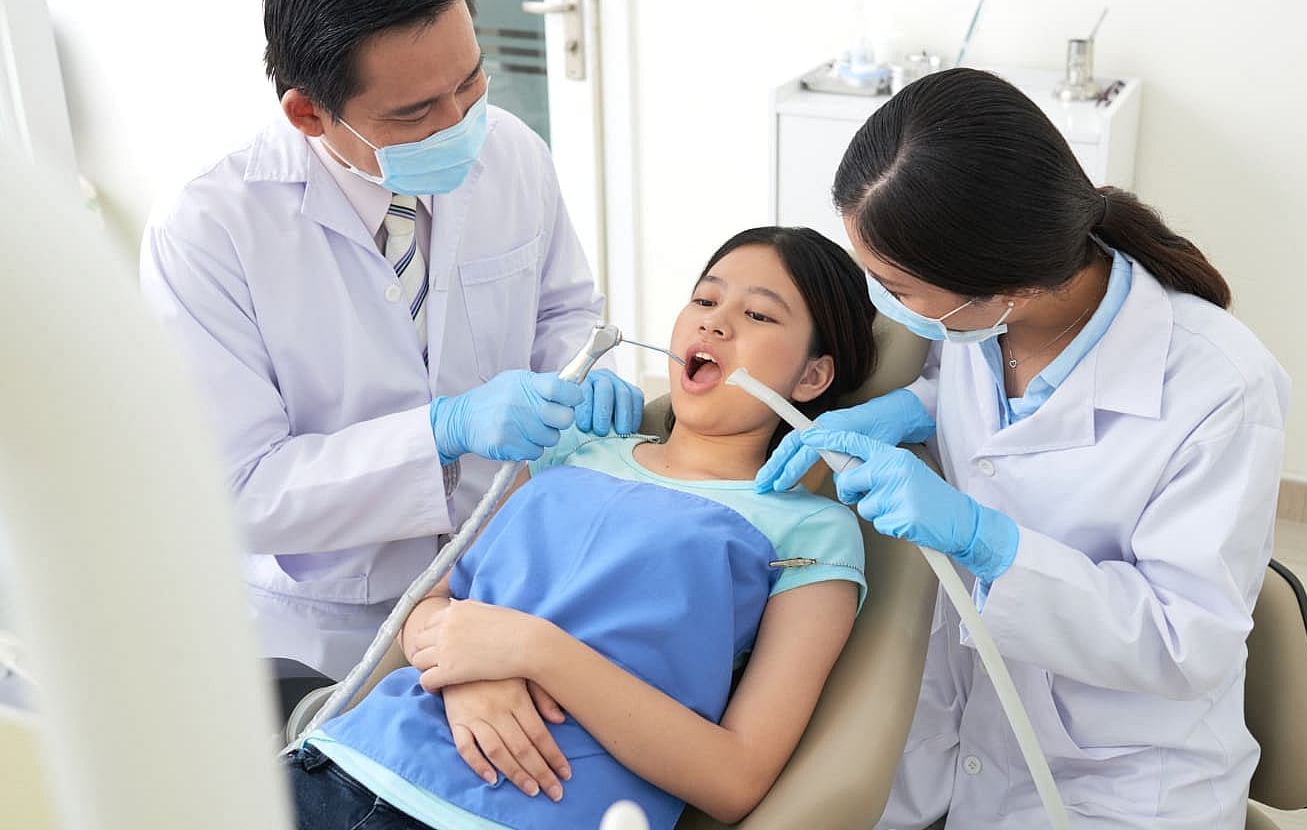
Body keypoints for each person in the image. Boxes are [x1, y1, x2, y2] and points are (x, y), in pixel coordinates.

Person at [757, 68, 1291, 829]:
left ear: (1006, 283)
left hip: (1118, 781)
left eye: (896, 288)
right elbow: (986, 408)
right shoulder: (982, 323)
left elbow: (1186, 641)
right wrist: (910, 407)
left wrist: (987, 543)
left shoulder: (1222, 389)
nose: (881, 305)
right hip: (961, 733)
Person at [139, 0, 642, 679]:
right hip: (325, 625)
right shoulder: (210, 234)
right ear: (309, 111)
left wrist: (580, 372)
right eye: (414, 112)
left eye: (471, 82)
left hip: (505, 572)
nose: (460, 124)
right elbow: (240, 492)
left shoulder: (512, 152)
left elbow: (562, 309)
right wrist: (440, 430)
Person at [283, 226, 876, 830]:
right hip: (344, 762)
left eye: (757, 314)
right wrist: (469, 676)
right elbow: (424, 606)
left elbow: (735, 780)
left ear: (812, 377)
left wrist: (534, 651)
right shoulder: (566, 450)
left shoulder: (812, 529)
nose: (714, 324)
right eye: (704, 300)